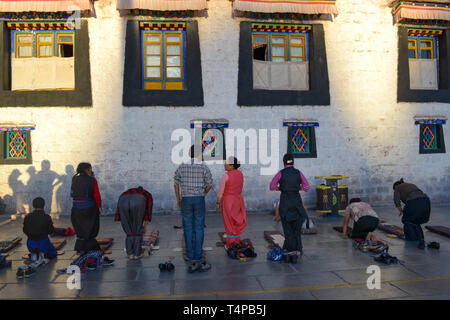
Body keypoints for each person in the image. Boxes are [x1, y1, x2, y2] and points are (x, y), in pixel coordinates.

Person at [174, 145, 213, 273]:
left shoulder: (182, 166)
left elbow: (176, 183)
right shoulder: (203, 167)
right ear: (199, 154)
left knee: (188, 227)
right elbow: (209, 185)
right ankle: (198, 255)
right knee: (199, 227)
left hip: (186, 199)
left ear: (189, 153)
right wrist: (202, 193)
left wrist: (178, 198)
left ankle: (190, 256)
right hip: (199, 199)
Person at [69, 162, 113, 272]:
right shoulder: (92, 180)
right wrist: (99, 207)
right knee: (90, 229)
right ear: (87, 170)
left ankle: (82, 250)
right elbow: (96, 195)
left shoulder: (74, 178)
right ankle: (91, 254)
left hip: (76, 208)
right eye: (90, 169)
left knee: (81, 229)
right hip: (89, 208)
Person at [269, 153, 310, 263]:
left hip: (285, 203)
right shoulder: (298, 173)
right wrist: (297, 187)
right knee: (296, 229)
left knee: (287, 229)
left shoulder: (280, 174)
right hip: (297, 202)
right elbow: (307, 187)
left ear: (283, 162)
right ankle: (298, 249)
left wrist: (281, 188)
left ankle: (289, 249)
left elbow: (272, 186)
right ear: (293, 162)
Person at [216, 157, 247, 249]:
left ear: (232, 166)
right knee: (236, 221)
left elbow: (221, 191)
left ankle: (230, 244)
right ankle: (237, 241)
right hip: (238, 200)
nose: (224, 165)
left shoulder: (226, 175)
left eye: (227, 164)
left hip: (228, 201)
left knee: (228, 222)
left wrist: (218, 202)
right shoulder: (240, 174)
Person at [115, 186, 153, 260]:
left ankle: (130, 254)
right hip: (138, 202)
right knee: (137, 229)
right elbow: (148, 211)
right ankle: (137, 254)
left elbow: (119, 209)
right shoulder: (147, 194)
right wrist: (144, 227)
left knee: (129, 231)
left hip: (122, 200)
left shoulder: (125, 193)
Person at [393, 178, 430, 249]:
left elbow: (396, 201)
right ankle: (420, 239)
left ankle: (411, 238)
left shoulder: (397, 187)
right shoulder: (411, 185)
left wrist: (401, 211)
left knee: (406, 220)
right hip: (426, 201)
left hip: (414, 202)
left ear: (396, 186)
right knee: (416, 221)